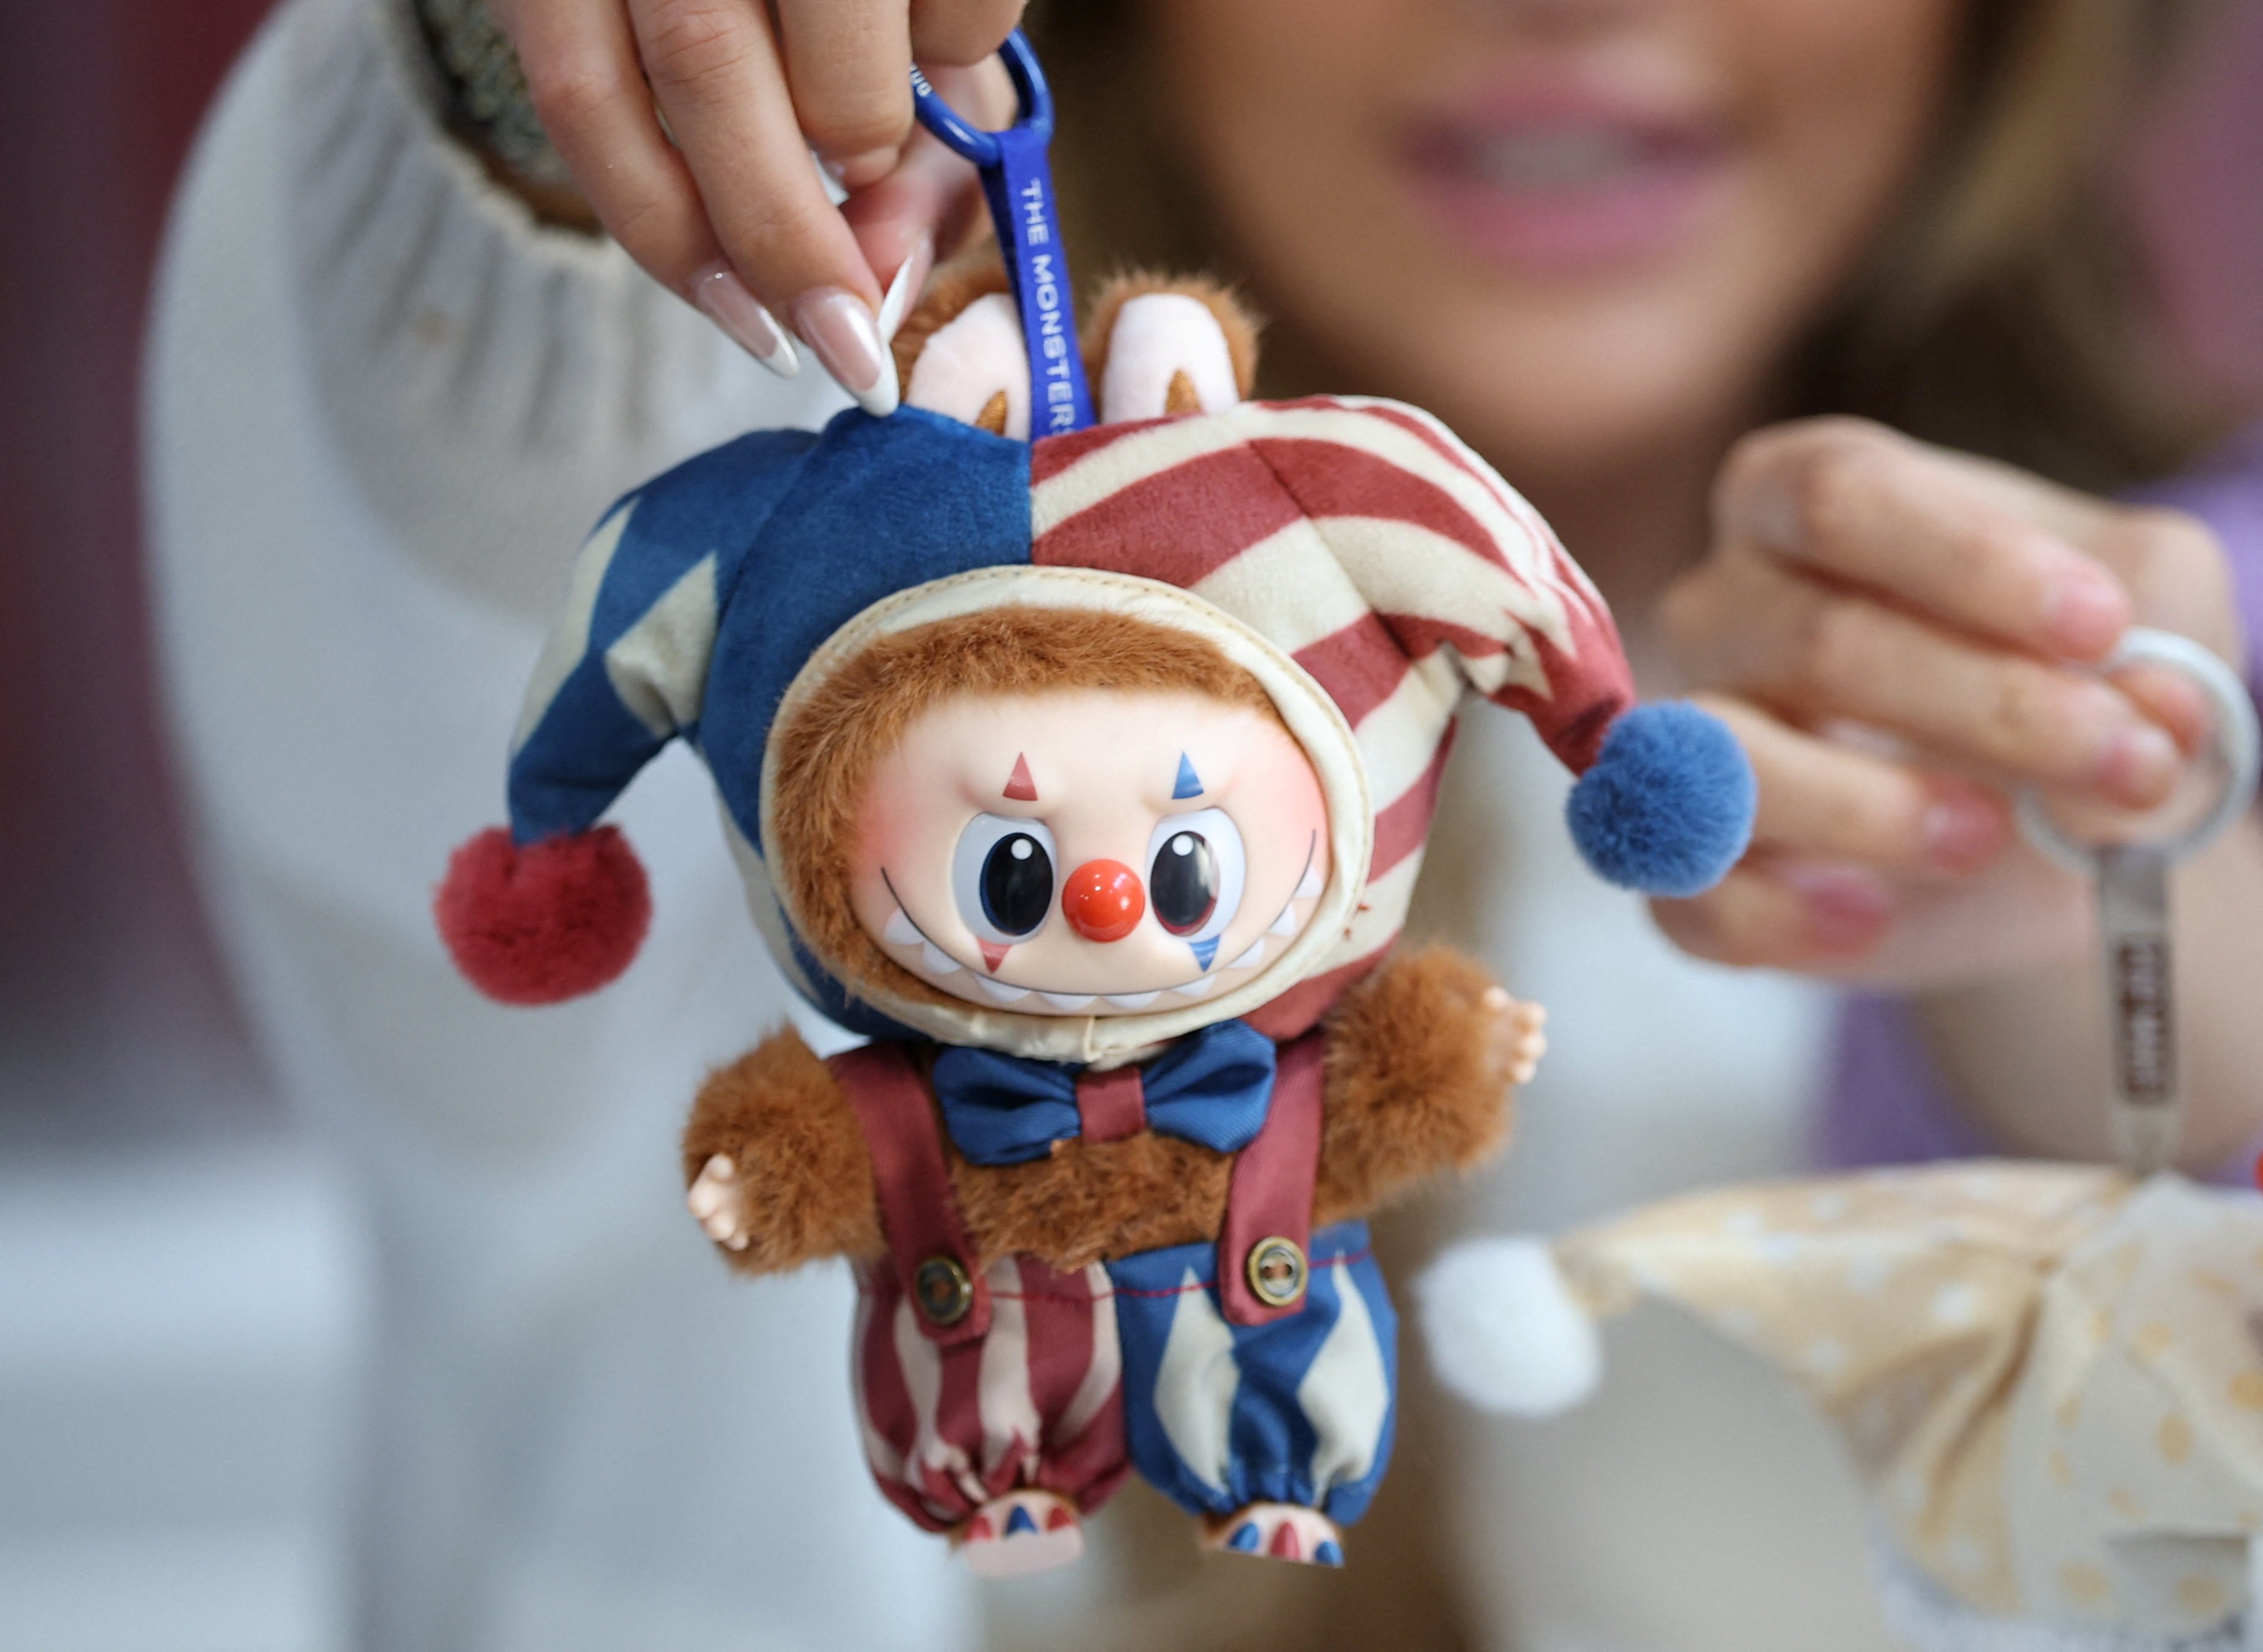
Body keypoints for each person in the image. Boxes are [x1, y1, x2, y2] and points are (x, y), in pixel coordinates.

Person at [148, 0, 2262, 1648]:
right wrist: (559, 125)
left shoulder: (2176, 672)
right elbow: (431, 642)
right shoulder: (808, 637)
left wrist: (2156, 1026)